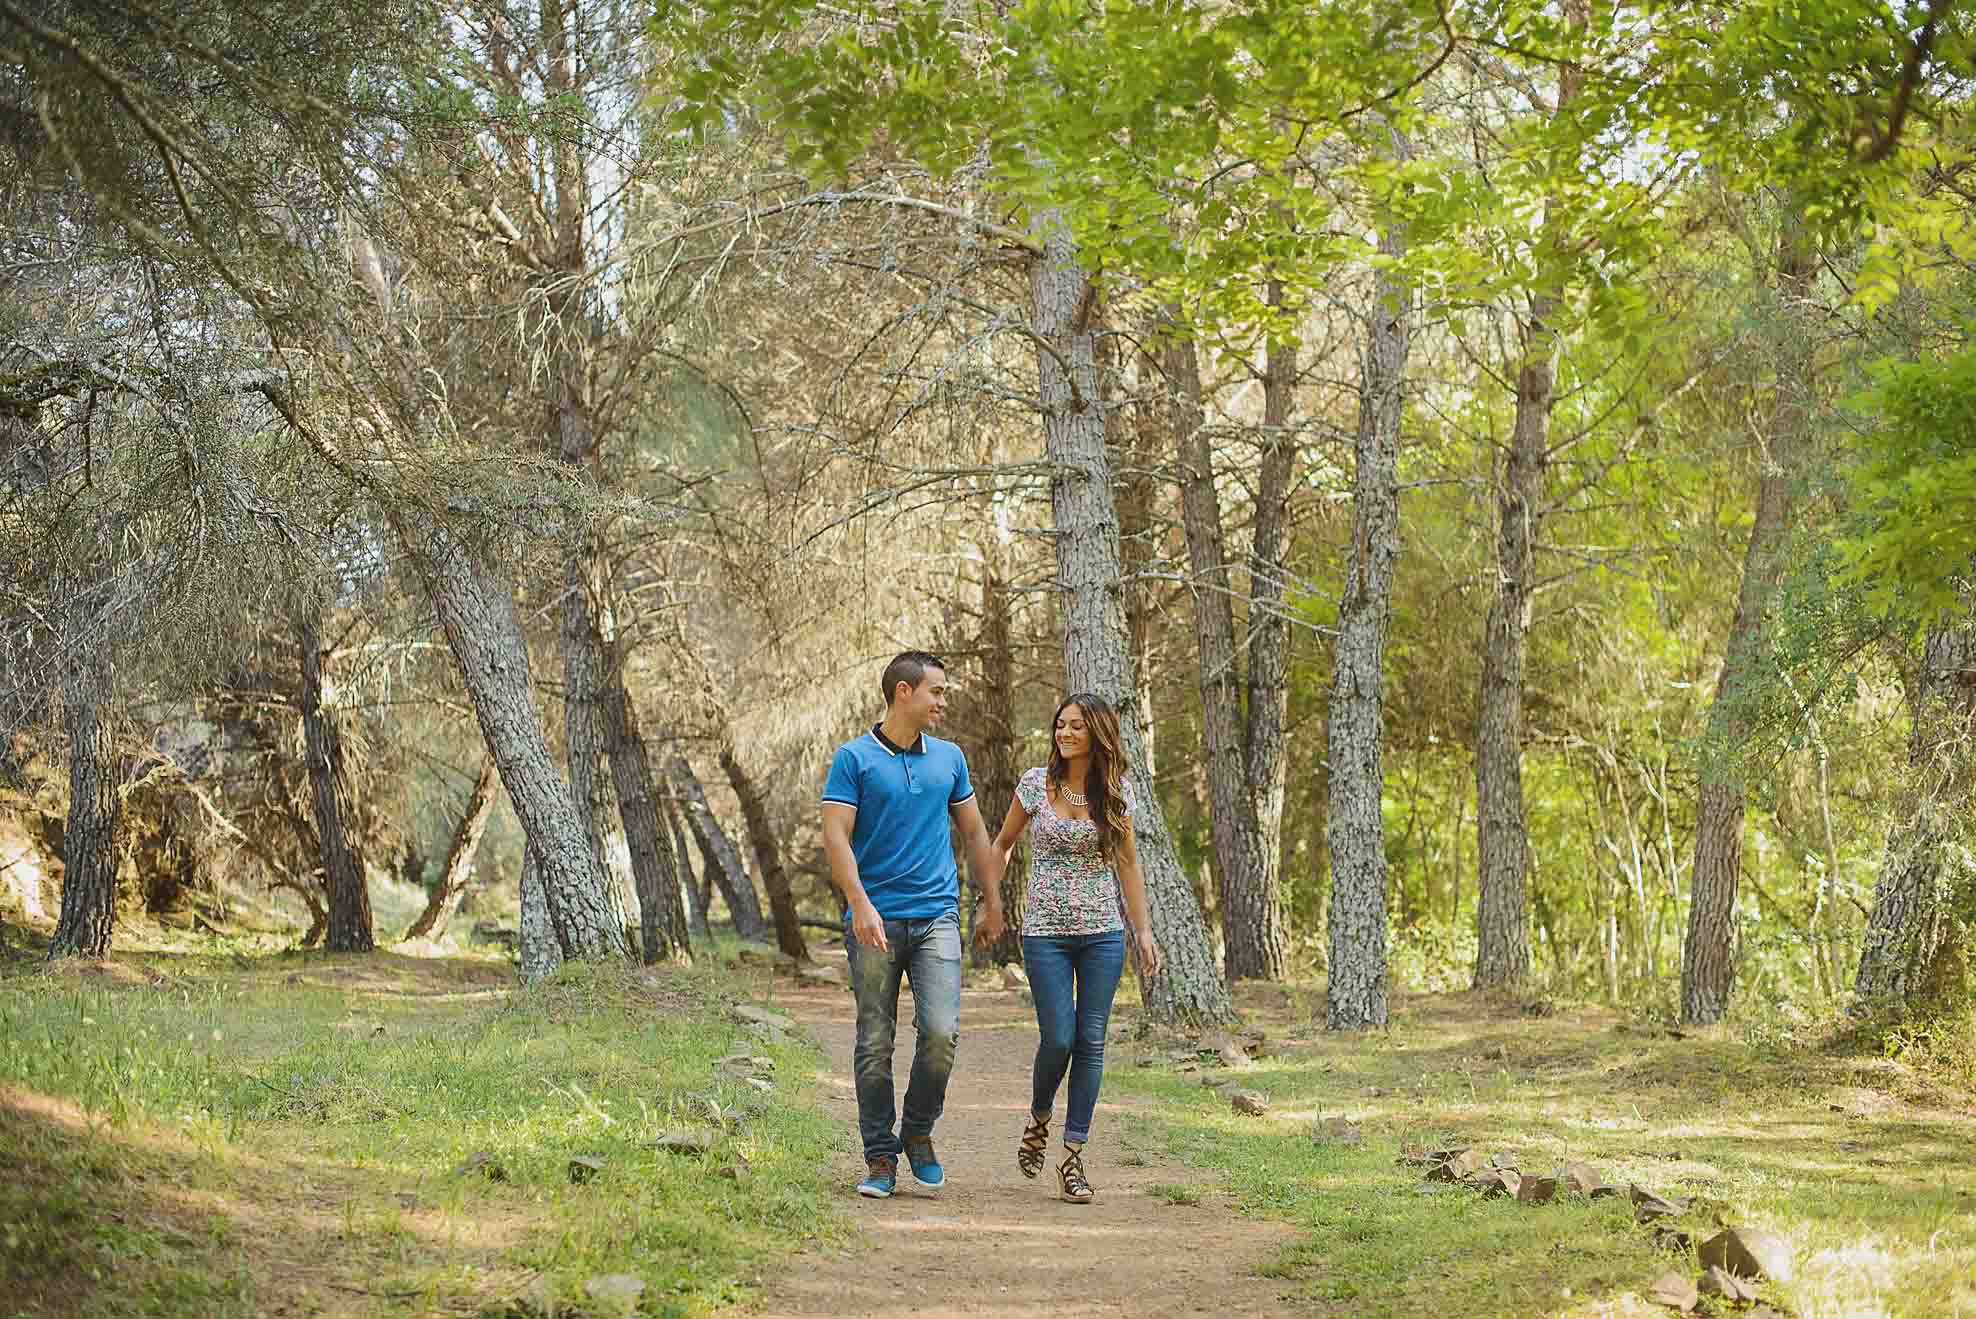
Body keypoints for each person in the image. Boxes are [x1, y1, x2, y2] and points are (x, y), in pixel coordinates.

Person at [821, 650, 1005, 1199]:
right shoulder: (853, 759)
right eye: (937, 691)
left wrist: (991, 901)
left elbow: (974, 834)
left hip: (936, 918)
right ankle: (880, 1156)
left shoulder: (949, 759)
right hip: (873, 920)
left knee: (942, 1034)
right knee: (875, 1040)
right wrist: (859, 903)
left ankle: (918, 1130)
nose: (943, 702)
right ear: (904, 692)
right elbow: (836, 836)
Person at [990, 692, 1160, 1204]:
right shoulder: (1033, 786)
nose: (1064, 734)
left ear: (1097, 735)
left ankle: (1072, 1157)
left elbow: (1128, 863)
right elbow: (1002, 845)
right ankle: (1040, 1116)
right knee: (1059, 1037)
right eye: (1060, 725)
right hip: (1044, 932)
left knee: (1091, 1041)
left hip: (1103, 932)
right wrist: (991, 901)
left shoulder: (1116, 792)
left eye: (1076, 728)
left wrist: (1143, 930)